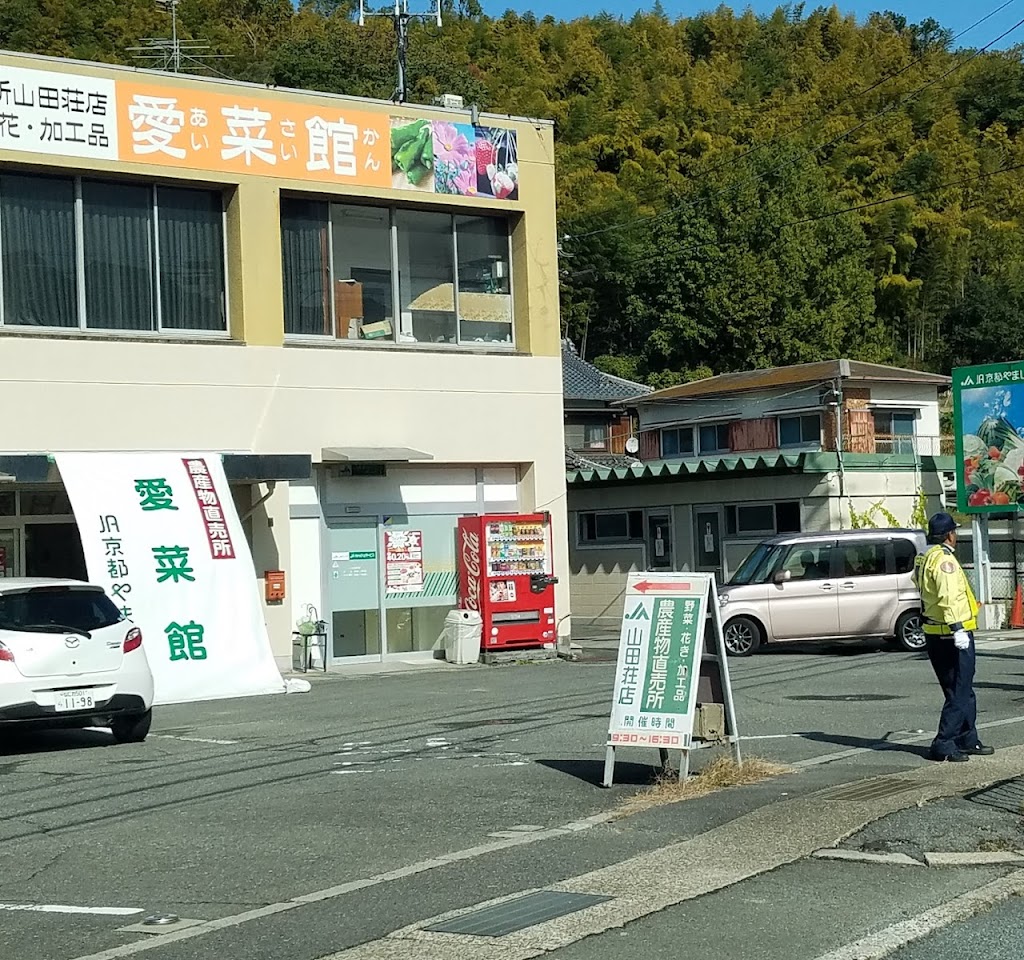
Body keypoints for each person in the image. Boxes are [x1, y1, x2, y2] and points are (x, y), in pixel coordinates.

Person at [913, 512, 994, 763]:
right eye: (954, 531)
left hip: (935, 633)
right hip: (952, 634)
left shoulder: (924, 557)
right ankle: (944, 742)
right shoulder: (945, 561)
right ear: (950, 535)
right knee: (960, 689)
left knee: (960, 689)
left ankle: (968, 738)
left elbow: (917, 583)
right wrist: (958, 628)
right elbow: (948, 597)